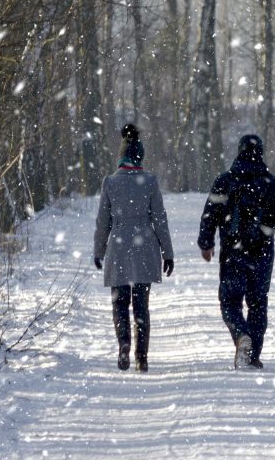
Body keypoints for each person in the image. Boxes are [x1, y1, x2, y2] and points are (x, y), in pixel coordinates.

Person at [198, 134, 275, 369]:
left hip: (233, 253)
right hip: (262, 253)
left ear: (239, 151)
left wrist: (206, 243)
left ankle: (241, 335)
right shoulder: (272, 184)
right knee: (257, 302)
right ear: (261, 153)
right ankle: (252, 354)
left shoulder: (225, 181)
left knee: (230, 301)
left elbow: (210, 214)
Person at [94, 124, 174, 372]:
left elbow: (103, 221)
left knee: (119, 304)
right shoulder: (149, 182)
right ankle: (142, 357)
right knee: (141, 305)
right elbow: (159, 218)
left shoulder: (110, 183)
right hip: (144, 248)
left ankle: (124, 346)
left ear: (121, 156)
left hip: (118, 247)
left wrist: (99, 250)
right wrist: (167, 252)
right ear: (140, 156)